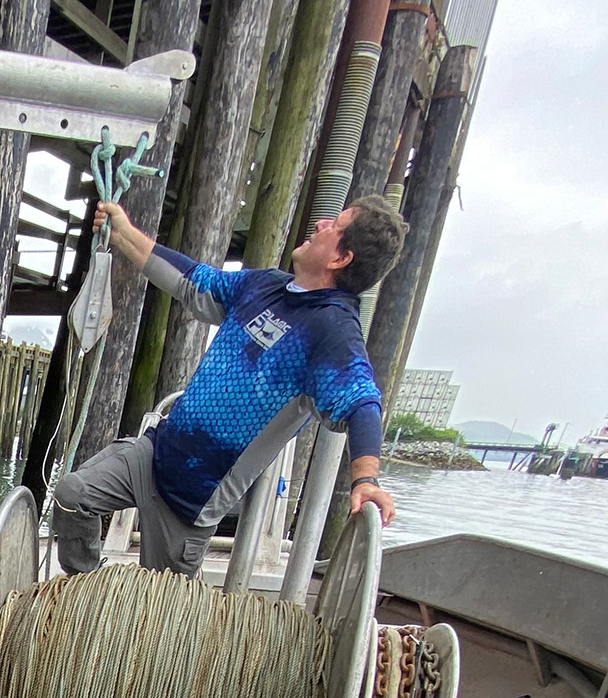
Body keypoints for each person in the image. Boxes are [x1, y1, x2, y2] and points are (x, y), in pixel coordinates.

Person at [53, 198, 407, 577]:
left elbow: (362, 402)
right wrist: (122, 233)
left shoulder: (333, 332)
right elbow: (193, 280)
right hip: (155, 453)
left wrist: (365, 479)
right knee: (73, 495)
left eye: (334, 226)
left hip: (192, 502)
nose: (320, 223)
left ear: (340, 258)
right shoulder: (264, 285)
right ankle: (88, 597)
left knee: (159, 625)